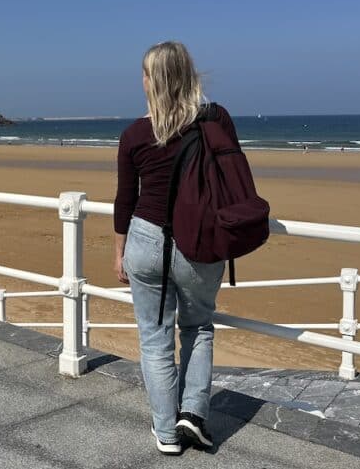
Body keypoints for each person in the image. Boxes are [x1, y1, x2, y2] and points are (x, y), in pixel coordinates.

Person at [114, 41, 236, 455]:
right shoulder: (214, 120)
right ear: (187, 76)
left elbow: (125, 200)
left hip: (145, 240)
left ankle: (166, 432)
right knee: (198, 327)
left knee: (155, 339)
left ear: (153, 81)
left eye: (145, 74)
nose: (142, 80)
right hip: (200, 242)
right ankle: (192, 415)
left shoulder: (134, 135)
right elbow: (231, 175)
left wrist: (119, 253)